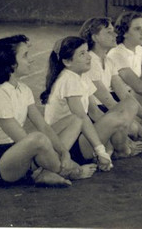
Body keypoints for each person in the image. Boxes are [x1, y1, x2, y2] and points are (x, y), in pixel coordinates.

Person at [0, 35, 78, 187]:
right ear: (11, 64)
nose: (31, 60)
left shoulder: (23, 89)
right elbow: (24, 140)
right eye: (25, 56)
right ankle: (65, 170)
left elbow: (43, 126)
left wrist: (64, 152)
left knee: (74, 119)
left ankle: (47, 171)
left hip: (15, 152)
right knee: (37, 139)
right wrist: (67, 163)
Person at [41, 36, 132, 173]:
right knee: (116, 118)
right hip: (68, 144)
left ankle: (114, 149)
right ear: (67, 61)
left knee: (120, 114)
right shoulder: (69, 79)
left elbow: (94, 112)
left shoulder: (81, 76)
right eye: (82, 54)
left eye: (87, 51)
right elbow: (82, 117)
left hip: (78, 137)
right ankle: (116, 151)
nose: (89, 57)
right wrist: (100, 150)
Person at [78, 17, 142, 153]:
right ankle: (119, 146)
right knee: (133, 127)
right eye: (109, 32)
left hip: (106, 111)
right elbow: (109, 103)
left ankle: (119, 142)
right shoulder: (91, 62)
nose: (115, 35)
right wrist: (141, 130)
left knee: (137, 107)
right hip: (97, 114)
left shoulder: (108, 61)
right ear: (95, 38)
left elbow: (124, 94)